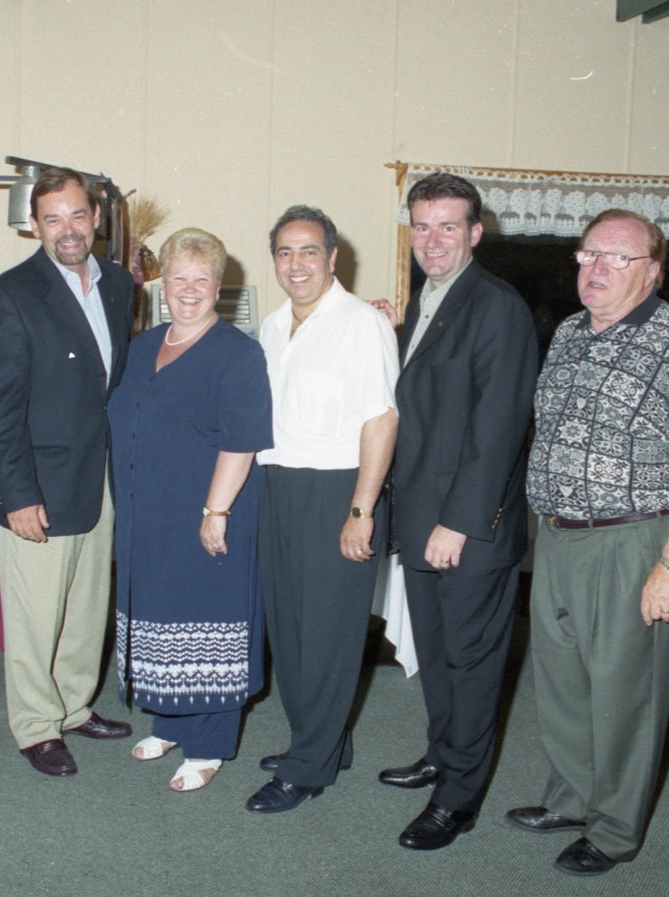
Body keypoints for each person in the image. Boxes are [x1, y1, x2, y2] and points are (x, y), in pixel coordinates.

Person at [513, 208, 669, 876]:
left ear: (652, 271)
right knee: (561, 684)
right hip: (556, 537)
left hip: (632, 542)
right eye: (588, 254)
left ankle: (612, 831)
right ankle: (572, 798)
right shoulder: (569, 333)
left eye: (616, 257)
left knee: (624, 694)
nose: (596, 268)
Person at [372, 173, 539, 850]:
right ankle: (443, 755)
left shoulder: (496, 305)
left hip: (467, 528)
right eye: (421, 226)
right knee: (438, 655)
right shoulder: (427, 300)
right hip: (420, 517)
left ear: (475, 232)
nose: (432, 239)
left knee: (471, 665)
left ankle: (458, 799)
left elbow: (498, 427)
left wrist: (458, 523)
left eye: (448, 226)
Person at [0, 167, 134, 777]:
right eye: (52, 219)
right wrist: (17, 494)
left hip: (99, 477)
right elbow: (1, 408)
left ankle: (72, 706)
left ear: (95, 218)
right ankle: (36, 725)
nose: (67, 230)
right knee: (36, 614)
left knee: (87, 606)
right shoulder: (9, 294)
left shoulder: (118, 283)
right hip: (39, 484)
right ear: (34, 225)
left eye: (77, 216)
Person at [245, 206, 400, 814]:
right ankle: (323, 743)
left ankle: (308, 768)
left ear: (333, 257)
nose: (296, 264)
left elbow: (381, 418)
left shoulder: (363, 323)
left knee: (327, 636)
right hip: (278, 487)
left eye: (308, 250)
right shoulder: (271, 325)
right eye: (284, 252)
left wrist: (361, 510)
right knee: (288, 630)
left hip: (338, 491)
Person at [109, 228, 272, 792]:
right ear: (163, 284)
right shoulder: (142, 346)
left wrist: (215, 511)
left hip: (208, 511)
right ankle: (170, 723)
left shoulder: (238, 353)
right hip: (148, 513)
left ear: (219, 287)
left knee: (207, 620)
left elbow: (242, 441)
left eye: (202, 279)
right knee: (160, 616)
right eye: (179, 277)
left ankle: (208, 743)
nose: (189, 288)